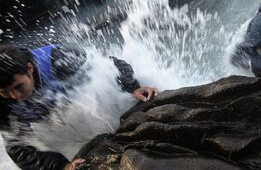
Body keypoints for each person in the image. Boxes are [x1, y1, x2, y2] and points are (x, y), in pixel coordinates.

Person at [0, 43, 158, 170]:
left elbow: (110, 66)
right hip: (46, 114)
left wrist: (133, 87)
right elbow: (17, 148)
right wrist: (61, 165)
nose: (16, 97)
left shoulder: (61, 60)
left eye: (18, 87)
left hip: (71, 94)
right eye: (6, 93)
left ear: (29, 68)